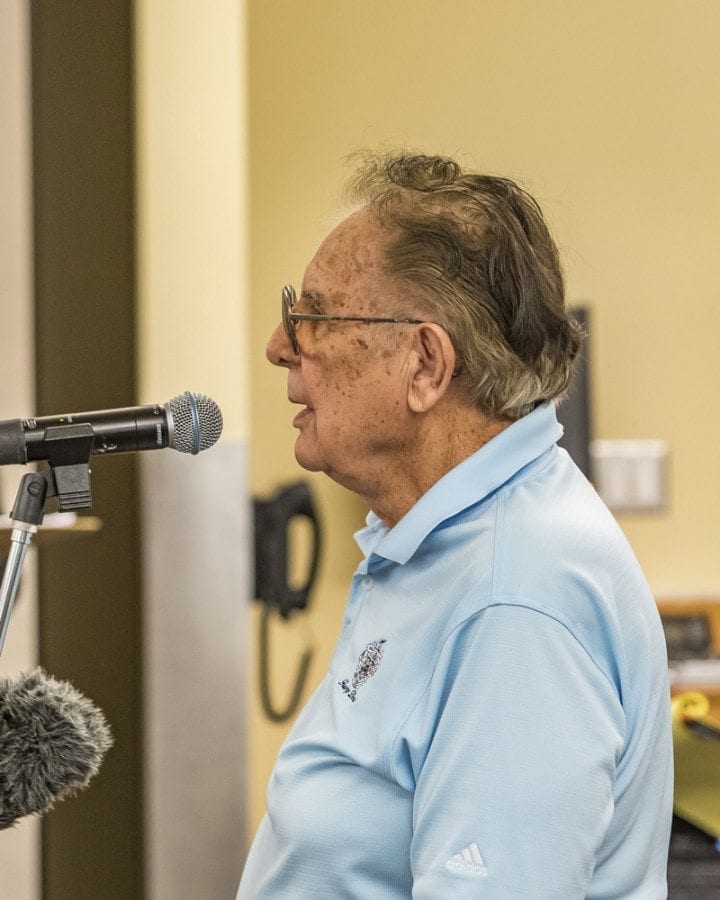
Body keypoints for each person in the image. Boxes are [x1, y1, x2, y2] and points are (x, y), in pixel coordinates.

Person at [238, 152, 673, 898]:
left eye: (310, 316)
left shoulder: (515, 599)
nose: (282, 346)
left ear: (425, 365)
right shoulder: (442, 544)